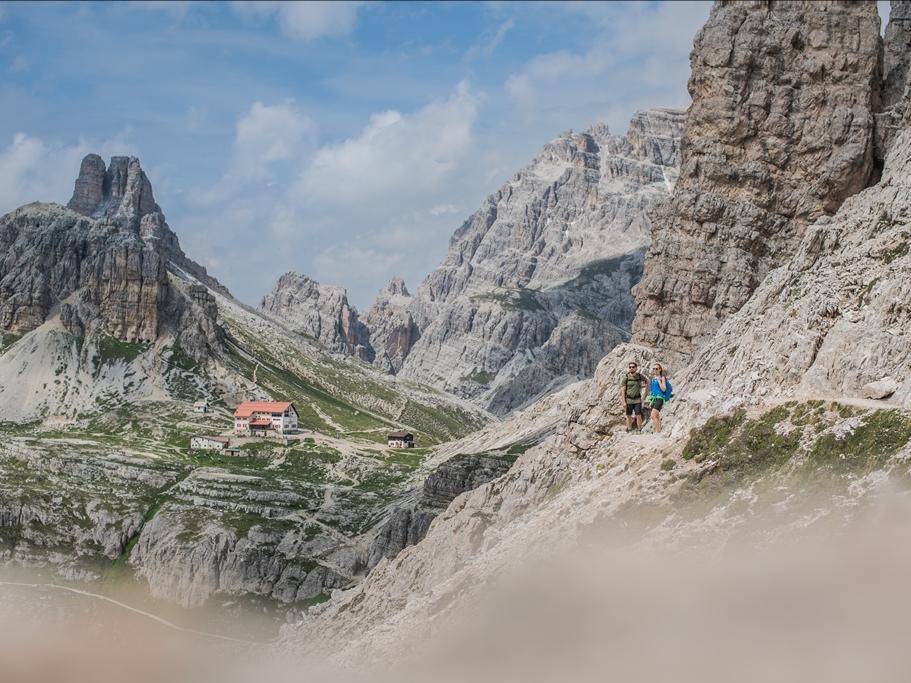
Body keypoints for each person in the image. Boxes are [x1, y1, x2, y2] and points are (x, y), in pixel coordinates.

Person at [620, 361, 648, 432]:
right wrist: (623, 402)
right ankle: (629, 429)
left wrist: (643, 386)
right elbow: (623, 390)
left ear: (636, 368)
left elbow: (647, 381)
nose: (631, 368)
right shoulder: (626, 377)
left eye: (633, 367)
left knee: (638, 415)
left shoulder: (639, 376)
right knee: (628, 416)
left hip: (637, 399)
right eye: (630, 367)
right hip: (629, 400)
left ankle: (639, 429)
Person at [648, 363, 671, 433]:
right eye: (654, 369)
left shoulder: (662, 378)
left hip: (660, 398)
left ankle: (657, 432)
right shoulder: (653, 378)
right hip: (653, 398)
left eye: (657, 369)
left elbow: (664, 389)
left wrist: (659, 381)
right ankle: (659, 431)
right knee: (657, 416)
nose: (655, 370)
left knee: (653, 415)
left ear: (660, 369)